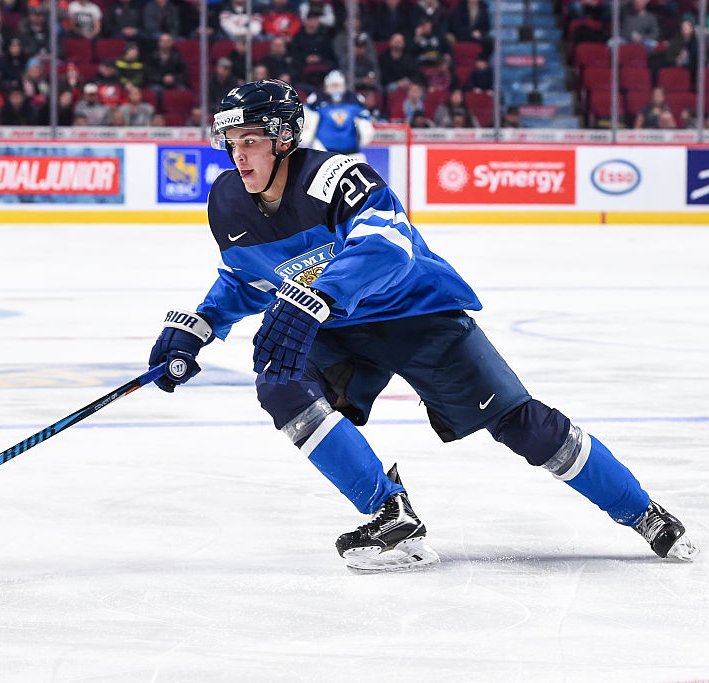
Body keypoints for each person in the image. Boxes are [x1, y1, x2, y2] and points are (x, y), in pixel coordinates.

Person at [145, 79, 697, 571]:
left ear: (284, 138)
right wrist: (200, 324)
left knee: (523, 425)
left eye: (252, 142)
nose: (239, 156)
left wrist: (316, 297)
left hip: (418, 313)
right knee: (280, 382)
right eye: (233, 143)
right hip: (340, 327)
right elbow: (249, 278)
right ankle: (391, 515)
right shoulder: (226, 200)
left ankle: (642, 512)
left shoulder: (337, 176)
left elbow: (390, 247)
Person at [302, 70, 374, 154]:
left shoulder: (354, 99)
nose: (335, 88)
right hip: (324, 149)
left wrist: (366, 133)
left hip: (351, 151)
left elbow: (364, 118)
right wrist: (306, 134)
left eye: (337, 85)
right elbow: (305, 115)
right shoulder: (316, 99)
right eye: (333, 85)